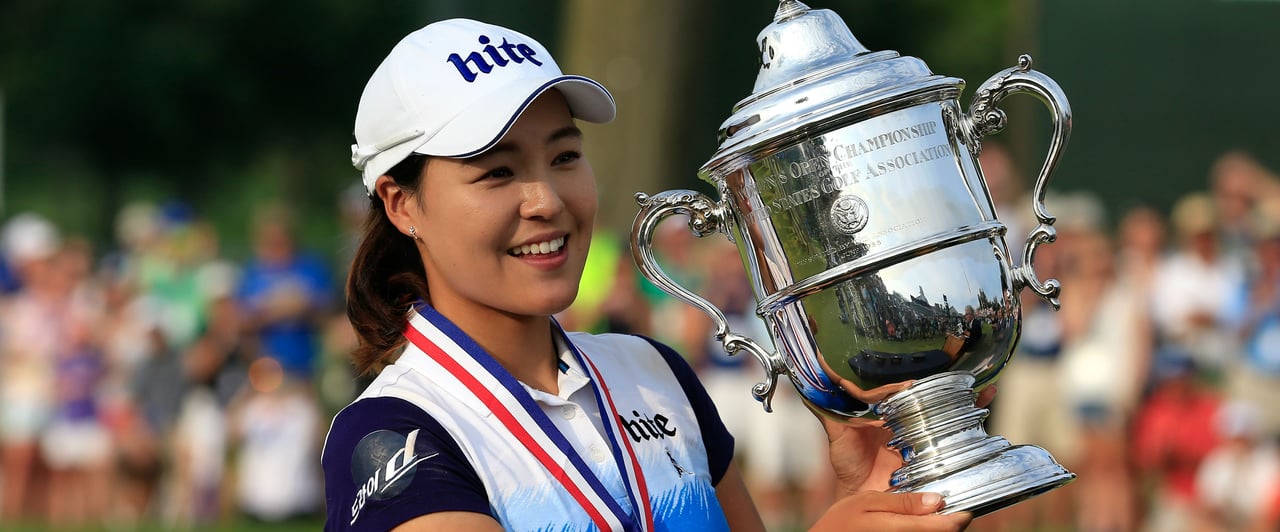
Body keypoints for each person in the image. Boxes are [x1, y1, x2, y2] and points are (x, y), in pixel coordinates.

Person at [321, 18, 976, 531]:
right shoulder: (391, 435)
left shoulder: (653, 374)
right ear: (402, 204)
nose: (546, 199)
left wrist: (862, 504)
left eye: (565, 155)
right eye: (497, 172)